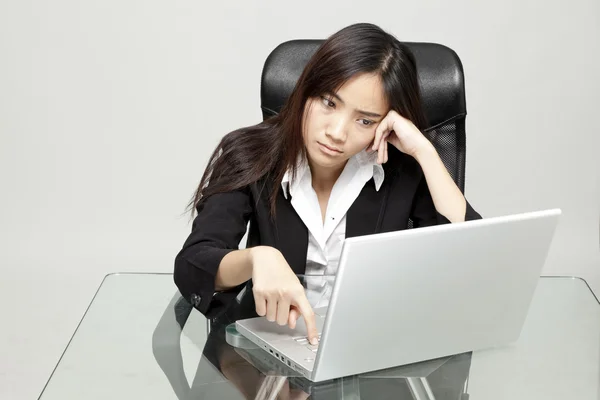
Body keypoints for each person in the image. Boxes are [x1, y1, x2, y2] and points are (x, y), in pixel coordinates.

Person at [174, 22, 481, 346]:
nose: (337, 131)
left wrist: (425, 151)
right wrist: (256, 259)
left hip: (374, 352)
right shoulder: (249, 154)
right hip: (271, 354)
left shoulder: (403, 171)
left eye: (365, 120)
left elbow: (471, 264)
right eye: (329, 103)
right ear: (307, 90)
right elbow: (193, 265)